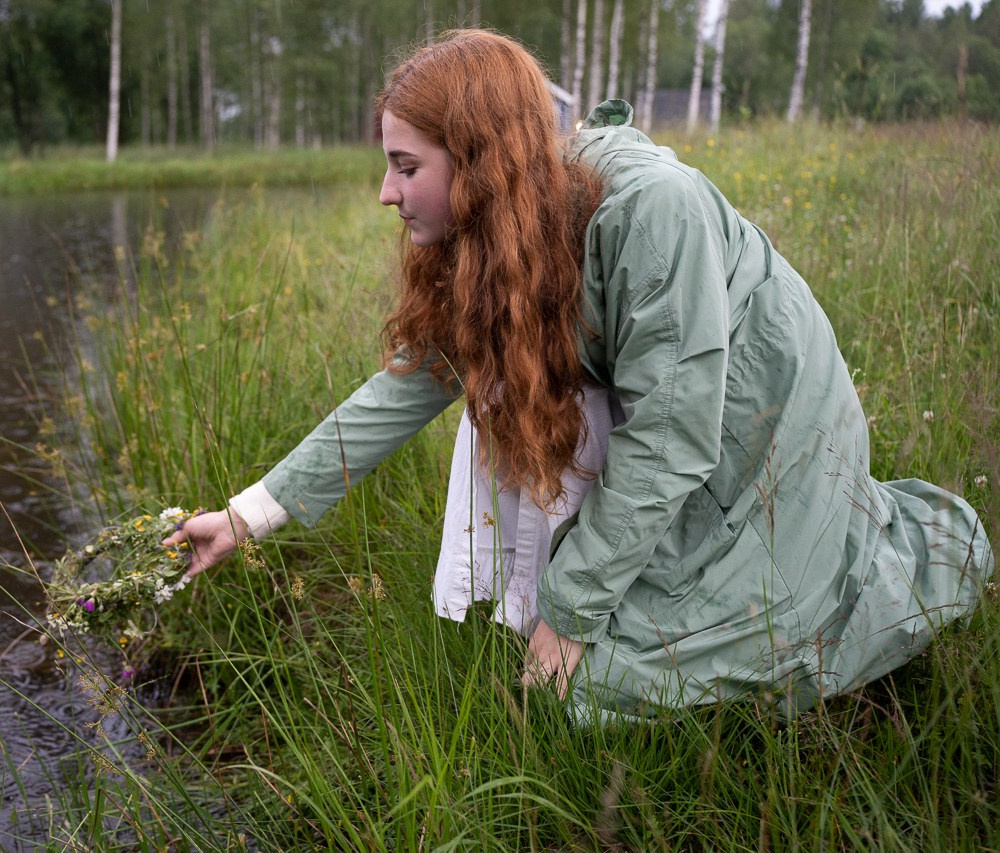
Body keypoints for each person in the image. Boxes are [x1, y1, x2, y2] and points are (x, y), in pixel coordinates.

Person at [164, 29, 994, 720]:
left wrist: (566, 617)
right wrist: (244, 518)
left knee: (599, 689)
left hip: (767, 429)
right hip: (682, 432)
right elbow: (408, 384)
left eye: (406, 166)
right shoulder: (499, 231)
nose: (387, 191)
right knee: (583, 674)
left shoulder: (649, 212)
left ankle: (916, 555)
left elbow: (671, 439)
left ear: (477, 159)